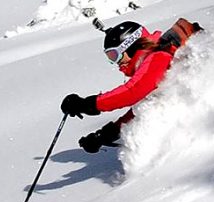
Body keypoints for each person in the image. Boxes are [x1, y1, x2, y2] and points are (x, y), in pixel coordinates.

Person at [61, 19, 201, 153]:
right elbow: (144, 108)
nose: (116, 62)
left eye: (114, 55)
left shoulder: (158, 57)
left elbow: (132, 93)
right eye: (110, 57)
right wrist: (105, 135)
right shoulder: (155, 61)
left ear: (131, 46)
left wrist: (87, 104)